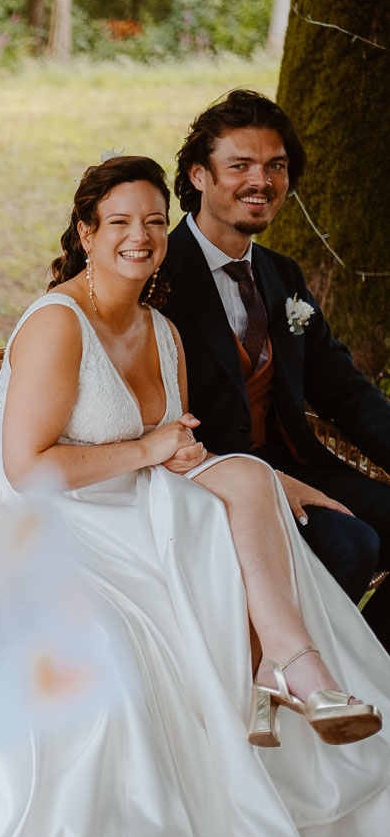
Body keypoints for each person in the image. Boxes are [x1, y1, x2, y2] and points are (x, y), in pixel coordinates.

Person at [0, 156, 390, 837]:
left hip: (133, 502)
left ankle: (285, 662)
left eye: (152, 220)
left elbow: (185, 452)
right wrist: (149, 451)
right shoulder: (56, 323)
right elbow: (28, 468)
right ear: (85, 233)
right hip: (50, 519)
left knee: (242, 489)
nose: (140, 237)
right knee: (149, 623)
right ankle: (247, 735)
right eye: (119, 222)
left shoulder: (163, 330)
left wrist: (280, 484)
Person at [161, 89, 390, 647]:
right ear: (199, 175)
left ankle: (366, 664)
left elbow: (345, 392)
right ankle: (283, 674)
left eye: (276, 166)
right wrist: (253, 479)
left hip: (296, 459)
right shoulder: (159, 277)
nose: (261, 181)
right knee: (351, 544)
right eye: (239, 165)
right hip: (210, 480)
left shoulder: (282, 275)